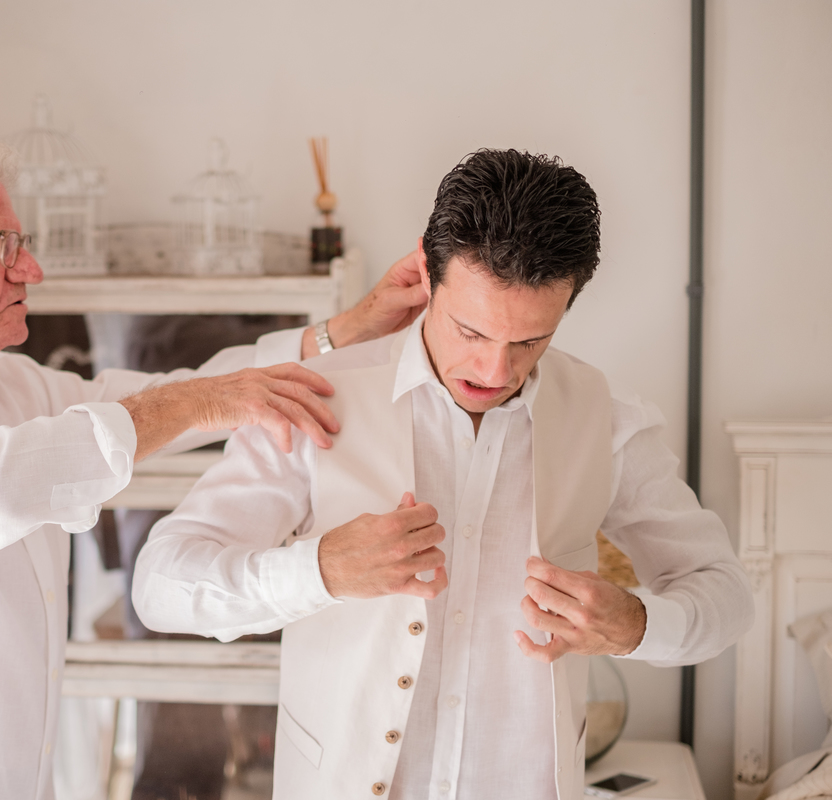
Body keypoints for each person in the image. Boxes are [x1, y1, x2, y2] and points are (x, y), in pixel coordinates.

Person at [0, 132, 427, 800]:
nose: (30, 270)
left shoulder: (15, 388)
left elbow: (168, 393)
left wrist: (345, 331)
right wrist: (196, 404)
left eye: (22, 246)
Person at [132, 149, 754, 800]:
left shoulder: (609, 420)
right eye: (470, 331)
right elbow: (161, 583)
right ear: (427, 274)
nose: (494, 370)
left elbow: (727, 595)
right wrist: (319, 571)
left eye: (529, 341)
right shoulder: (315, 396)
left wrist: (638, 627)